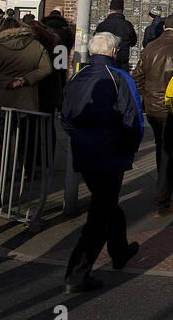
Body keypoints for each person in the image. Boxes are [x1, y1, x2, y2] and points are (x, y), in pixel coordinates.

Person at [58, 32, 144, 293]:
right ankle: (77, 273)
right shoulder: (118, 78)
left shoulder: (77, 77)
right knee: (100, 214)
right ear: (115, 52)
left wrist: (79, 138)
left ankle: (119, 251)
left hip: (85, 153)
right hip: (110, 154)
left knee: (106, 203)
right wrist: (128, 149)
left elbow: (65, 116)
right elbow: (133, 119)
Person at [132, 12, 173, 216]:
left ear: (163, 28)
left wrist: (147, 96)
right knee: (169, 154)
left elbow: (137, 77)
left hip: (152, 108)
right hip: (172, 108)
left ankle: (162, 194)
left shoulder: (150, 47)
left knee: (162, 149)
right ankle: (162, 200)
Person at [0, 17, 53, 113]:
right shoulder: (36, 45)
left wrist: (8, 81)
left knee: (4, 125)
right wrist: (26, 79)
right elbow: (46, 69)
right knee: (26, 126)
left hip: (2, 97)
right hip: (27, 98)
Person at [94, 0, 138, 70]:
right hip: (121, 65)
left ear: (110, 10)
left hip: (103, 65)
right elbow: (133, 42)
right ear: (122, 10)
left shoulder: (102, 25)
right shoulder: (127, 25)